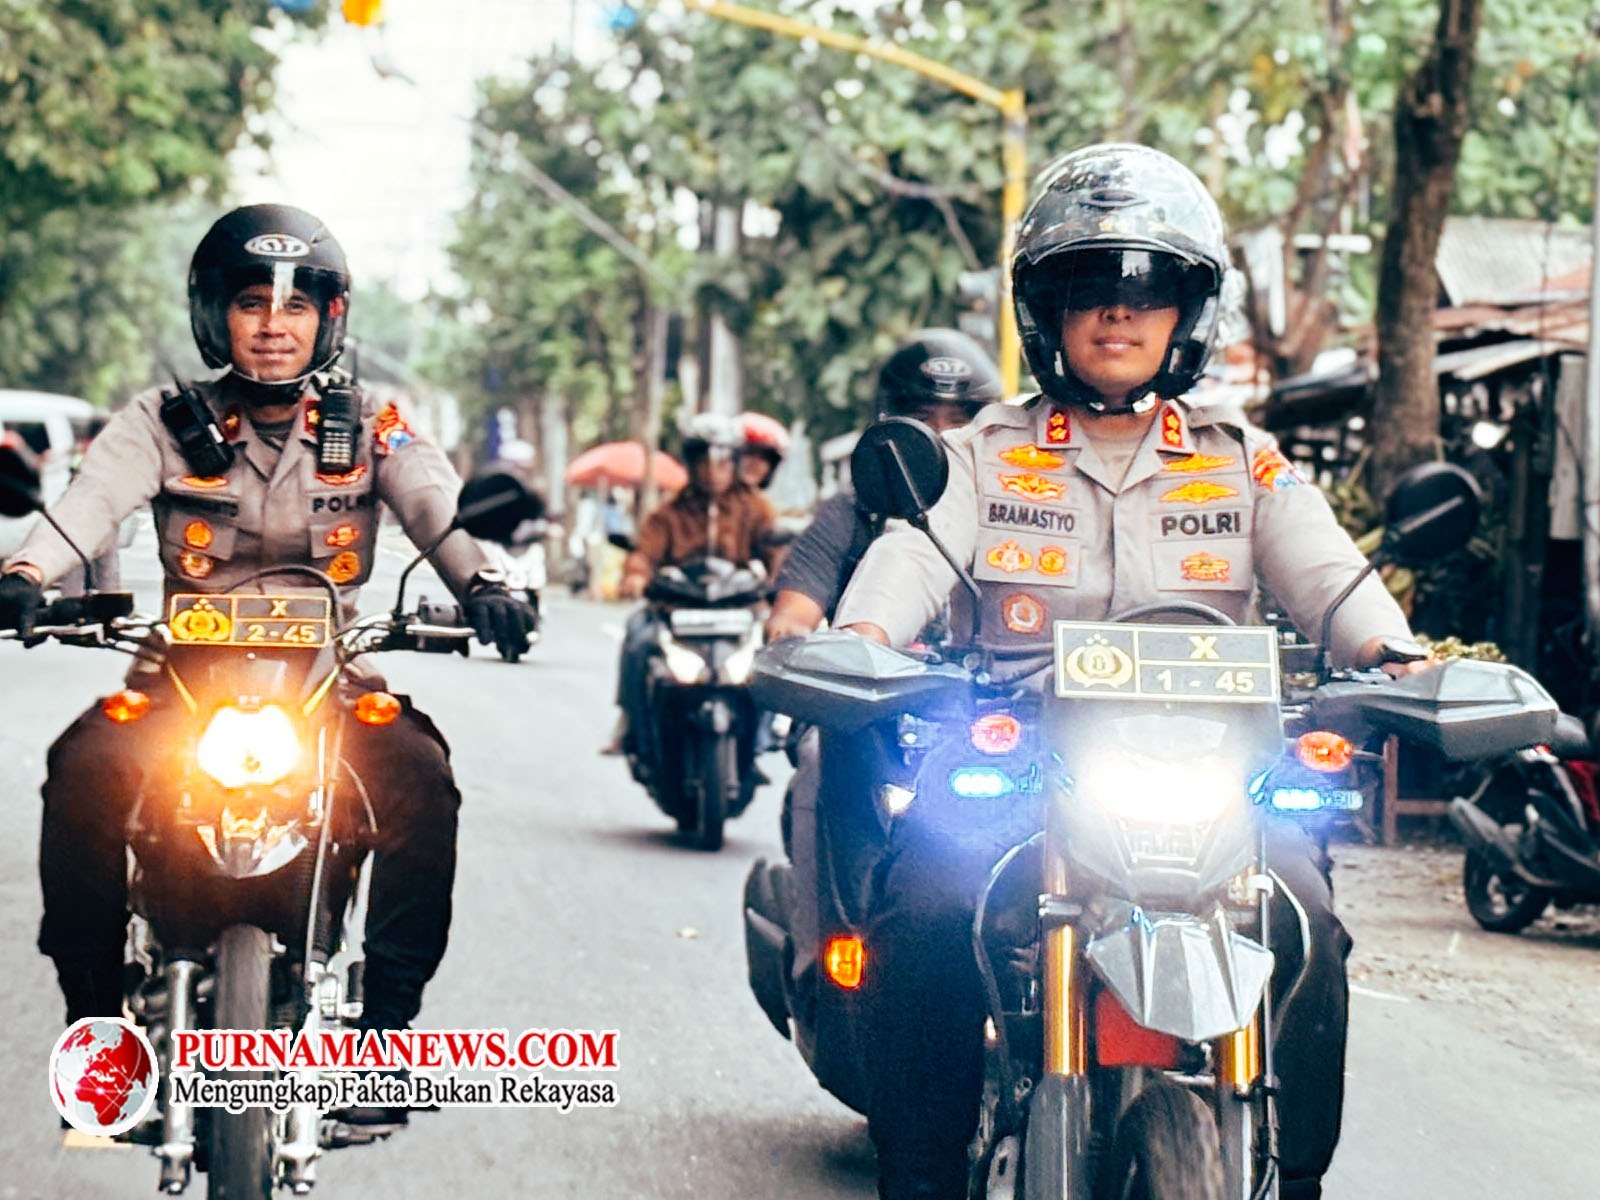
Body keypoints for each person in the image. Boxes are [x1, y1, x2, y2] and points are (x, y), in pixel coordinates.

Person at [831, 144, 1432, 1200]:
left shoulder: (1239, 458)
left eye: (1147, 289)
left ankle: (1295, 1179)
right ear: (1046, 312)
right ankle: (918, 1179)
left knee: (1305, 918)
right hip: (1021, 766)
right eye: (1088, 287)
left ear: (1186, 313)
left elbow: (1332, 579)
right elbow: (910, 561)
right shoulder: (982, 452)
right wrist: (859, 640)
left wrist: (1396, 657)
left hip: (1214, 773)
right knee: (921, 911)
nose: (1118, 312)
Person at [0, 203, 536, 1127]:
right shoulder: (160, 421)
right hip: (181, 679)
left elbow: (435, 509)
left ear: (329, 320)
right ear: (216, 314)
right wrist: (23, 575)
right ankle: (97, 1033)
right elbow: (85, 506)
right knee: (80, 770)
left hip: (328, 680)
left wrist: (487, 584)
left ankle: (382, 1042)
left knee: (422, 779)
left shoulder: (374, 422)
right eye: (252, 302)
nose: (273, 324)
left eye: (296, 305)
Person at [764, 329, 1002, 643]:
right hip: (869, 672)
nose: (943, 436)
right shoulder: (851, 514)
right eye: (921, 419)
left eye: (959, 422)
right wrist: (792, 637)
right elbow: (792, 617)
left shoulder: (1008, 510)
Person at [603, 411, 779, 757]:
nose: (713, 471)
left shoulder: (756, 508)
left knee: (776, 649)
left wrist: (781, 586)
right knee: (636, 636)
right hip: (677, 607)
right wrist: (636, 576)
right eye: (704, 462)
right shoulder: (668, 513)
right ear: (691, 464)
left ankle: (765, 731)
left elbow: (777, 549)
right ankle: (629, 724)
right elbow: (644, 554)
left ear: (734, 463)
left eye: (721, 462)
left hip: (741, 608)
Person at [737, 410, 790, 491]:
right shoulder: (716, 496)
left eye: (766, 456)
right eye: (750, 451)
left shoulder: (763, 500)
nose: (755, 462)